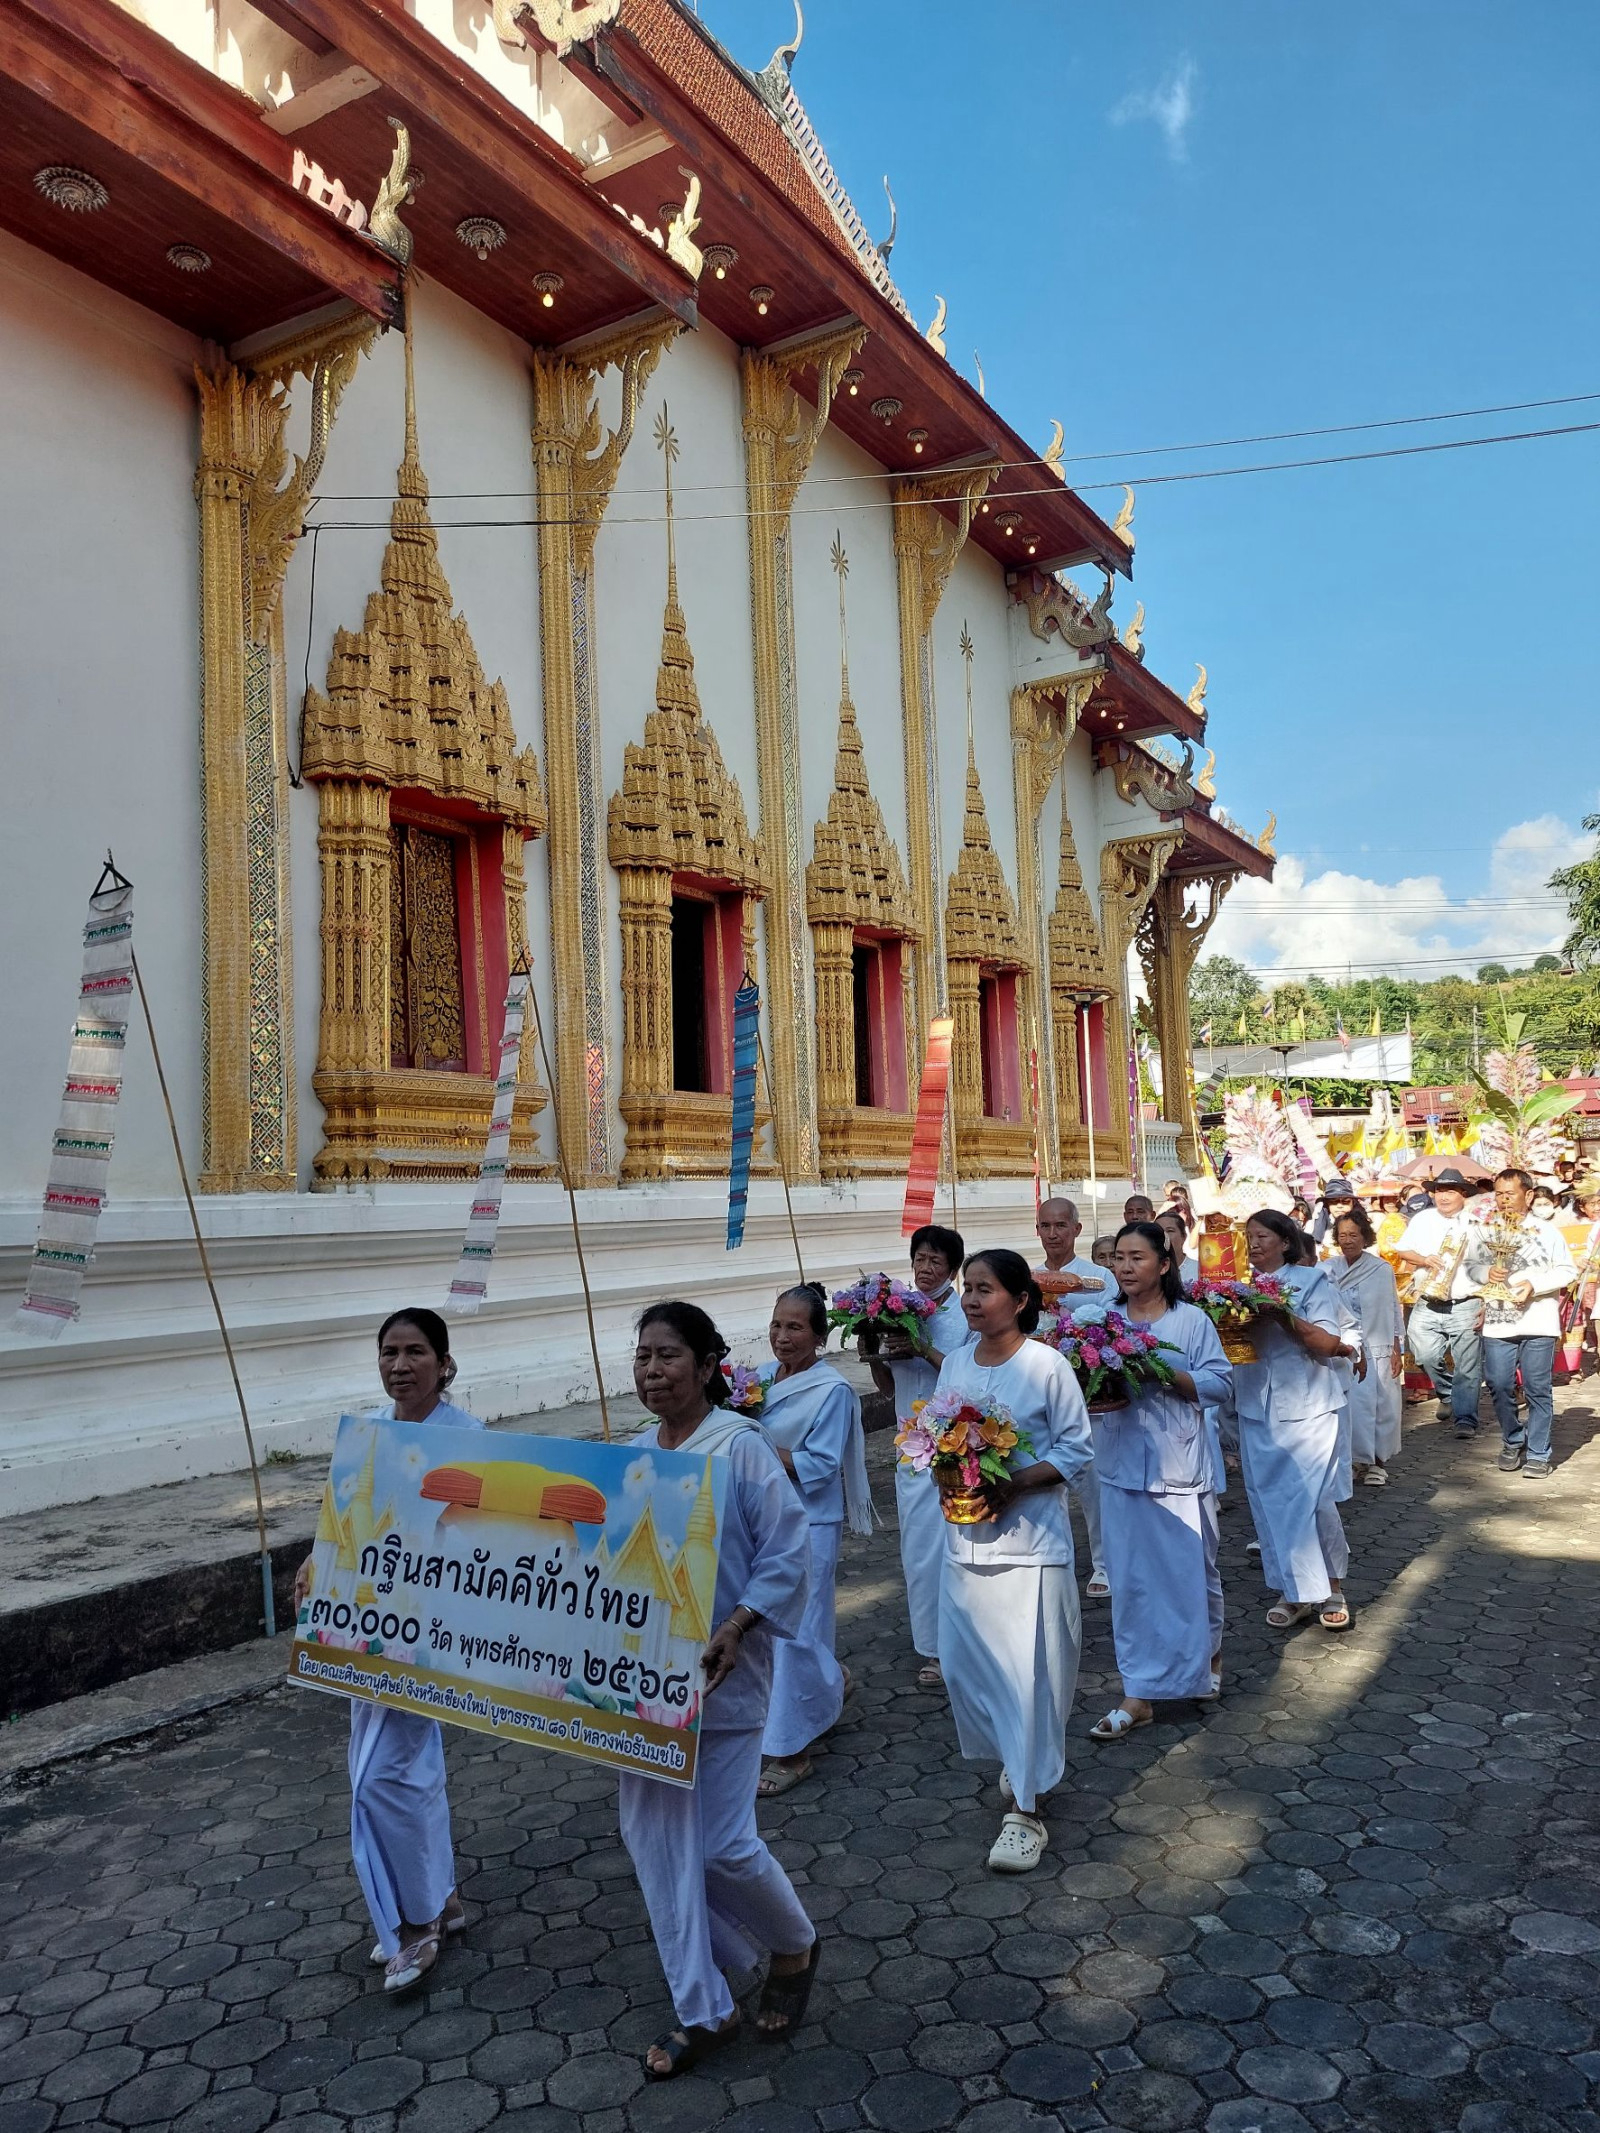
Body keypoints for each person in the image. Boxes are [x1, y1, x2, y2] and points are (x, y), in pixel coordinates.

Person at [619, 1302, 818, 2078]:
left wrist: (737, 1623)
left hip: (723, 1677)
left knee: (724, 1842)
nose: (652, 1370)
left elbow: (786, 1550)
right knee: (654, 1838)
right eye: (642, 1356)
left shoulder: (741, 1447)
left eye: (669, 1355)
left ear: (707, 1366)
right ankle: (707, 2004)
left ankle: (794, 1944)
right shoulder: (634, 1455)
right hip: (639, 1686)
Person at [292, 1308, 479, 1995]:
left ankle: (416, 1921)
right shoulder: (368, 1433)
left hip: (429, 1632)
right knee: (411, 1771)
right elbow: (342, 1521)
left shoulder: (470, 1438)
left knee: (381, 1778)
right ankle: (441, 1898)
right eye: (389, 1352)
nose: (400, 1364)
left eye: (416, 1351)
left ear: (444, 1362)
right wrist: (317, 1569)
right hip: (365, 1629)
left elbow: (482, 1537)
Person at [934, 1249, 1093, 1873]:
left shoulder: (1046, 1365)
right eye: (967, 1288)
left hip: (1032, 1546)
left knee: (1030, 1672)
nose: (973, 1299)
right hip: (964, 1540)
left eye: (986, 1289)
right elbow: (936, 1440)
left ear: (1021, 1300)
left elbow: (1076, 1449)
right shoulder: (953, 1362)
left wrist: (1015, 1481)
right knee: (965, 1669)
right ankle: (1017, 1754)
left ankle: (1026, 1810)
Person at [1087, 1223, 1232, 1740]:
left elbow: (1220, 1382)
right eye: (1119, 1259)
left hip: (1179, 1466)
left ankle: (1205, 1660)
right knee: (1131, 1584)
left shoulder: (1190, 1322)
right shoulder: (1100, 1321)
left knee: (1192, 1572)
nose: (1125, 1268)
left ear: (1164, 1265)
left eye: (1137, 1258)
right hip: (1122, 1465)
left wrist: (1160, 1374)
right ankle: (1139, 1692)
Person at [758, 1284, 872, 1795]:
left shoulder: (831, 1392)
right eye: (777, 1325)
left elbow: (821, 1466)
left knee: (796, 1635)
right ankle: (829, 1682)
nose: (782, 1337)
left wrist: (755, 1445)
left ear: (819, 1336)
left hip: (809, 1524)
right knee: (764, 1631)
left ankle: (791, 1750)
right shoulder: (758, 1382)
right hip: (759, 1521)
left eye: (795, 1327)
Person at [1233, 1211, 1359, 1633]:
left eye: (1262, 1236)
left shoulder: (1312, 1282)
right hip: (1256, 1405)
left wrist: (1279, 1313)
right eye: (1248, 1236)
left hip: (1310, 1406)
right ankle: (1293, 1591)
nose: (1253, 1243)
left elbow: (1326, 1343)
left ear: (1285, 1242)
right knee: (1269, 1503)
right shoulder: (1235, 1288)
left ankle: (1334, 1587)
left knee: (1312, 1501)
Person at [862, 1224, 968, 1688]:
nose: (926, 1269)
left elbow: (965, 1380)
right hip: (911, 1447)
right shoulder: (897, 1313)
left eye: (935, 1262)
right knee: (919, 1550)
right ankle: (933, 1645)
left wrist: (923, 1349)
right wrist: (875, 1356)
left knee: (955, 1548)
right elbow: (892, 1391)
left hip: (955, 1444)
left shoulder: (962, 1318)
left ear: (952, 1268)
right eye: (919, 1260)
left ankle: (962, 1643)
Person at [1465, 1169, 1577, 1478]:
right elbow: (1470, 1267)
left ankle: (1539, 1452)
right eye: (1498, 1194)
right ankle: (1513, 1439)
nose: (1503, 1200)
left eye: (1509, 1193)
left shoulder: (1547, 1231)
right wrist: (1486, 1273)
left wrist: (1534, 1284)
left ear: (1527, 1195)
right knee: (1500, 1384)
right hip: (1499, 1322)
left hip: (1538, 1320)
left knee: (1537, 1387)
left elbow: (1568, 1271)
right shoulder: (1485, 1231)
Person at [1032, 1198, 1111, 1601]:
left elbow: (1112, 1329)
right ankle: (1051, 1559)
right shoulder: (1027, 1281)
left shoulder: (1099, 1278)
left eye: (1060, 1226)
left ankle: (1103, 1564)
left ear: (1076, 1230)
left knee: (1093, 1485)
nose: (1052, 1234)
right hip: (1041, 1393)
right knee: (1046, 1481)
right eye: (1045, 1226)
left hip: (1088, 1394)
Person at [1392, 1168, 1485, 1436]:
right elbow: (1403, 1250)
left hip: (1466, 1301)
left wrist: (1485, 1303)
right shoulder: (1422, 1219)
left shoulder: (1476, 1224)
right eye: (1440, 1190)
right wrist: (1424, 1259)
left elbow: (1490, 1265)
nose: (1443, 1196)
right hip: (1427, 1299)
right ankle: (1447, 1392)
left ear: (1463, 1195)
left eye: (1450, 1190)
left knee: (1467, 1366)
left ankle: (1465, 1419)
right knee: (1423, 1353)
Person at [1328, 1204, 1404, 1485]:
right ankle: (1352, 1461)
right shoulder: (1327, 1269)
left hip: (1378, 1346)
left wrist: (1397, 1349)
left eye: (1354, 1235)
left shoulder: (1381, 1269)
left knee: (1382, 1406)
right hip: (1345, 1349)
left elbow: (1392, 1309)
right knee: (1350, 1409)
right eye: (1343, 1235)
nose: (1348, 1240)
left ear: (1365, 1237)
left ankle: (1378, 1463)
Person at [1157, 1206, 1200, 1290]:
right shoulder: (1147, 1272)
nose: (1164, 1236)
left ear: (1183, 1236)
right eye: (1159, 1231)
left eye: (1170, 1231)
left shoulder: (1198, 1270)